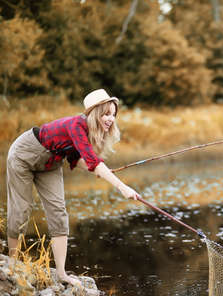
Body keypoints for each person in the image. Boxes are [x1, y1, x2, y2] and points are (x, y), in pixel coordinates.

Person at [6, 89, 141, 285]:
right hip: (23, 154)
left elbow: (77, 158)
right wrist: (122, 187)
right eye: (106, 113)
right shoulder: (77, 124)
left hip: (51, 164)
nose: (110, 119)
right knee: (21, 209)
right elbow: (93, 160)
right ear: (94, 113)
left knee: (59, 212)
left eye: (113, 114)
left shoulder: (88, 132)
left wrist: (96, 169)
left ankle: (61, 273)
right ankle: (12, 264)